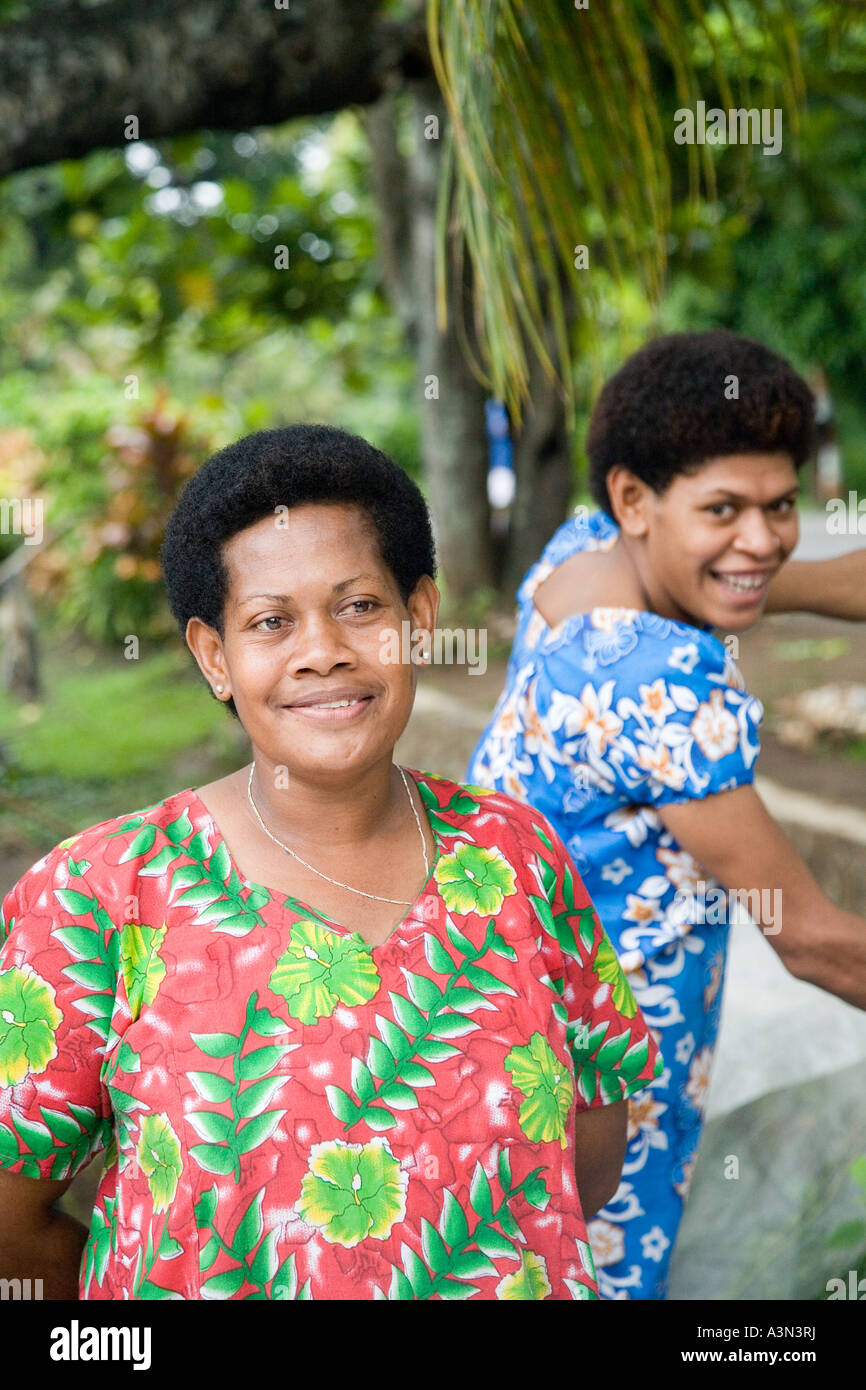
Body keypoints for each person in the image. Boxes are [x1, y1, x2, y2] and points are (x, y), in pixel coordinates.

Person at [0, 424, 662, 1301]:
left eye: (359, 607)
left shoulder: (517, 852)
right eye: (271, 621)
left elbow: (585, 1159)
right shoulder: (100, 894)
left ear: (418, 618)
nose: (323, 650)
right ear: (215, 657)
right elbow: (11, 1221)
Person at [466, 330, 866, 1300]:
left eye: (778, 508)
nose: (762, 541)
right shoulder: (657, 682)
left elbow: (795, 577)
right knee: (591, 1266)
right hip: (603, 1060)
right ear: (633, 500)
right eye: (722, 510)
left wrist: (754, 560)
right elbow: (811, 940)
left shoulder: (582, 557)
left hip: (500, 1008)